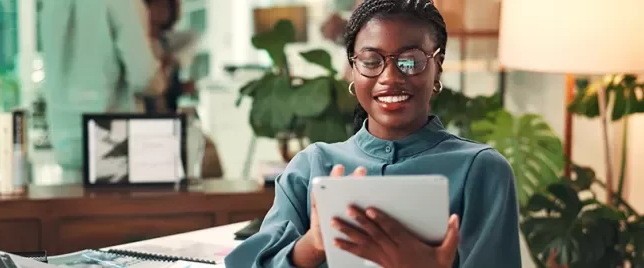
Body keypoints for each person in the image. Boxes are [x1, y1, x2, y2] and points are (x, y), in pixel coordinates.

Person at [223, 0, 521, 267]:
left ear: (438, 66)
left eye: (410, 61)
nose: (390, 77)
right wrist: (313, 245)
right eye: (370, 62)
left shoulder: (481, 170)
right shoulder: (311, 166)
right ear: (353, 69)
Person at [39, 0, 159, 182]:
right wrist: (162, 81)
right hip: (110, 137)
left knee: (72, 198)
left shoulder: (50, 4)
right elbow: (144, 78)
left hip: (64, 134)